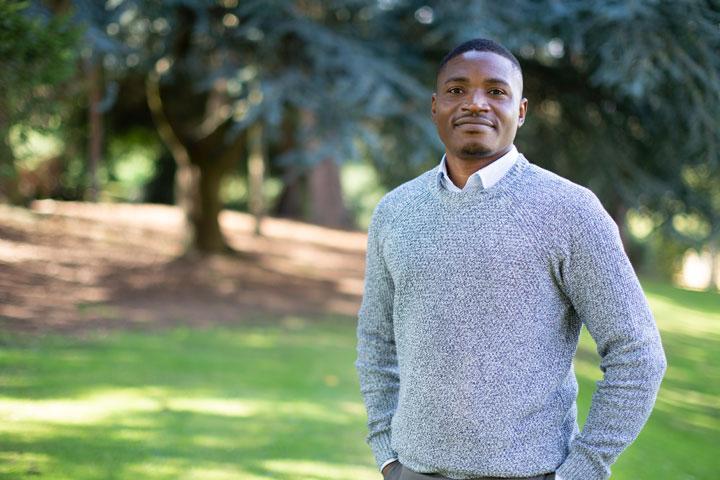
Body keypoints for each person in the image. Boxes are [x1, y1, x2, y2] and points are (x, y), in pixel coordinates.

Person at [355, 38, 666, 480]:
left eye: (495, 92)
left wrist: (584, 468)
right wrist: (387, 452)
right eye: (457, 90)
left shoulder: (571, 211)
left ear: (520, 110)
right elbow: (376, 341)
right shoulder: (395, 211)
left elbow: (638, 354)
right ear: (435, 106)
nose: (475, 104)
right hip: (412, 471)